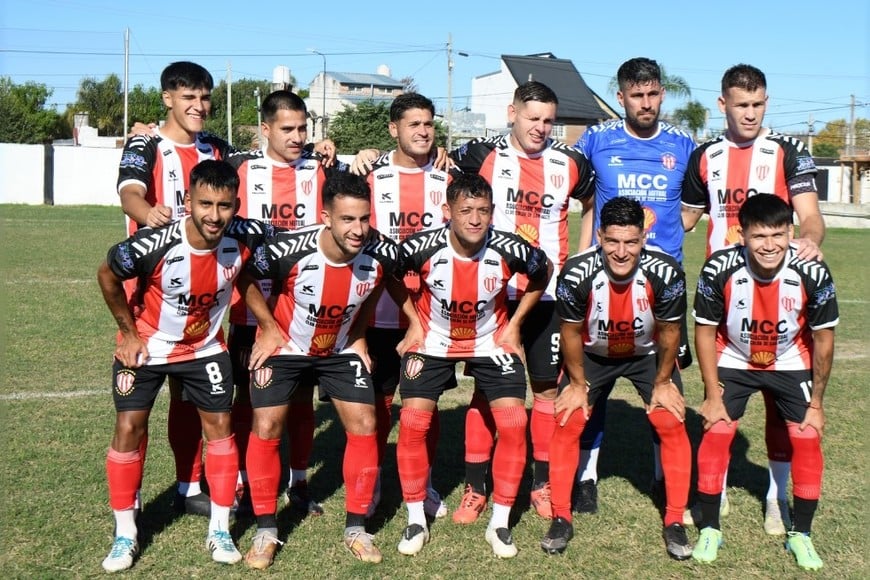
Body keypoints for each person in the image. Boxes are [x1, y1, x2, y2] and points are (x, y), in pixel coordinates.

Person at [97, 160, 267, 571]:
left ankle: (220, 529)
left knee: (220, 428)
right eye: (205, 204)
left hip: (204, 349)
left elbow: (290, 248)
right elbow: (106, 275)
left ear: (236, 205)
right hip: (147, 347)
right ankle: (125, 534)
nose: (214, 215)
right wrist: (129, 333)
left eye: (224, 206)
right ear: (187, 201)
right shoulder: (153, 243)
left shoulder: (247, 237)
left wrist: (271, 326)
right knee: (128, 428)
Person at [681, 63, 825, 535]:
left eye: (758, 104)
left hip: (779, 291)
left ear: (767, 103)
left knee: (782, 409)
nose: (750, 113)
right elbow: (685, 219)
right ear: (722, 104)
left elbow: (810, 216)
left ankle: (775, 496)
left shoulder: (787, 151)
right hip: (724, 296)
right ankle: (715, 490)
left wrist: (809, 239)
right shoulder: (705, 156)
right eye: (741, 104)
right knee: (719, 401)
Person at [447, 81, 595, 522]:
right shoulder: (482, 154)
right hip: (495, 296)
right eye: (533, 118)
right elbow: (436, 164)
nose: (541, 128)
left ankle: (542, 484)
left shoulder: (570, 162)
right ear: (512, 113)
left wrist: (580, 258)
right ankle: (476, 488)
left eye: (549, 120)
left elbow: (591, 202)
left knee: (547, 390)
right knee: (486, 390)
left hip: (548, 296)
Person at [237, 171, 398, 569]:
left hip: (339, 349)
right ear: (326, 217)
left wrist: (359, 334)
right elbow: (245, 276)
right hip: (286, 346)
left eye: (364, 218)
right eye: (347, 219)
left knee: (365, 422)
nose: (358, 229)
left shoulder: (382, 251)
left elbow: (380, 282)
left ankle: (357, 528)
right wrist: (268, 328)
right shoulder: (289, 249)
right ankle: (265, 530)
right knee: (267, 425)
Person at [392, 173, 553, 558]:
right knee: (413, 423)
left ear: (493, 212)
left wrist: (515, 325)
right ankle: (415, 519)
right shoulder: (421, 246)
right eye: (465, 211)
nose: (475, 219)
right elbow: (390, 274)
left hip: (490, 341)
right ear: (447, 211)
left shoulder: (509, 247)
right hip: (433, 340)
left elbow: (542, 271)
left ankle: (500, 523)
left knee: (514, 423)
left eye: (483, 210)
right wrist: (413, 322)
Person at [571, 57, 697, 516]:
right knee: (593, 384)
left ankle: (664, 478)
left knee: (665, 384)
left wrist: (673, 232)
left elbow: (697, 203)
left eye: (653, 94)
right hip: (605, 282)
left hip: (662, 288)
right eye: (637, 95)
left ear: (662, 93)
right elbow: (553, 165)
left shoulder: (684, 144)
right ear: (621, 97)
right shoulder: (597, 139)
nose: (646, 103)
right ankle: (586, 477)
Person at [690, 194, 837, 571]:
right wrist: (712, 394)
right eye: (758, 236)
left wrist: (817, 404)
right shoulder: (719, 267)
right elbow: (705, 331)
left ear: (791, 232)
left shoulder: (812, 270)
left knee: (807, 436)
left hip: (790, 360)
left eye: (777, 234)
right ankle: (711, 528)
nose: (769, 245)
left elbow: (823, 340)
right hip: (734, 358)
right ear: (742, 235)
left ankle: (801, 534)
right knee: (717, 430)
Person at [542, 197, 692, 559]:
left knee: (670, 419)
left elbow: (671, 331)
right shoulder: (576, 272)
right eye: (612, 241)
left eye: (631, 242)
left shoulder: (666, 270)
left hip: (646, 354)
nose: (621, 252)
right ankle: (561, 517)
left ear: (643, 238)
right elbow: (570, 332)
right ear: (599, 237)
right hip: (593, 355)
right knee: (567, 419)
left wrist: (662, 383)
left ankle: (675, 520)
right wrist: (577, 385)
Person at [116, 61, 232, 516]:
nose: (198, 106)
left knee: (189, 397)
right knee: (136, 411)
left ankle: (189, 485)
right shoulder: (145, 143)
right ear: (168, 99)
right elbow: (129, 193)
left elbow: (264, 157)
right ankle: (131, 500)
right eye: (188, 97)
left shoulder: (216, 148)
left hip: (202, 297)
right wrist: (148, 215)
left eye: (204, 97)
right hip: (148, 297)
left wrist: (323, 148)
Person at [225, 89, 332, 517]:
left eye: (303, 128)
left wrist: (363, 154)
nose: (297, 136)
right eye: (287, 129)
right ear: (265, 129)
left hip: (302, 312)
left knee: (302, 401)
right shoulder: (239, 168)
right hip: (249, 309)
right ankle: (241, 481)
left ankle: (299, 482)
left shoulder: (321, 169)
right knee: (244, 398)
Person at [358, 92, 451, 519]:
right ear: (393, 128)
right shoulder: (370, 177)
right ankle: (374, 480)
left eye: (428, 124)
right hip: (378, 313)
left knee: (424, 408)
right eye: (414, 124)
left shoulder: (448, 178)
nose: (423, 132)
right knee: (378, 405)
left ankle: (425, 484)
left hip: (432, 317)